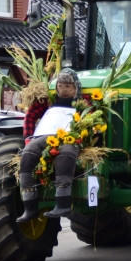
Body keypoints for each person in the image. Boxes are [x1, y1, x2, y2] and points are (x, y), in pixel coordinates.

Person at [17, 69, 82, 221]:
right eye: (60, 86)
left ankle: (63, 203)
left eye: (68, 86)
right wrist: (28, 138)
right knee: (27, 154)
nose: (63, 90)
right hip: (45, 135)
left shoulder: (82, 103)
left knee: (65, 155)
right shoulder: (48, 101)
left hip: (69, 138)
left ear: (76, 87)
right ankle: (30, 206)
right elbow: (31, 115)